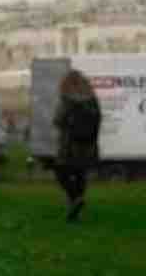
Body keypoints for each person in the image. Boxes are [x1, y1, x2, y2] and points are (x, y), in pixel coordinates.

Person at [53, 69, 101, 222]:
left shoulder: (67, 100)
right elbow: (98, 119)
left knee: (61, 173)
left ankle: (75, 199)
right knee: (80, 175)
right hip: (88, 145)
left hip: (70, 145)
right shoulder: (92, 99)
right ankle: (75, 211)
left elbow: (58, 120)